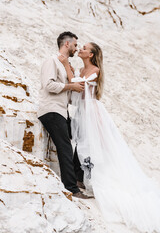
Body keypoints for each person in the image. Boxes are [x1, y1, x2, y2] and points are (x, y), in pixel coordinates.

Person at [59, 42, 160, 232]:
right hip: (82, 113)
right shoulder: (81, 68)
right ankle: (80, 176)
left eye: (84, 48)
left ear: (91, 54)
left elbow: (79, 86)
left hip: (92, 113)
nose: (80, 49)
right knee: (81, 146)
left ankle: (88, 177)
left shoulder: (95, 70)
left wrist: (66, 67)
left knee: (94, 145)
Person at [37, 31, 92, 199]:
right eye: (75, 45)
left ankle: (78, 178)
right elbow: (49, 86)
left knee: (81, 138)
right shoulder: (51, 61)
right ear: (66, 44)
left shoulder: (64, 64)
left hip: (61, 111)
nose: (76, 48)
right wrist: (70, 87)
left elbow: (67, 96)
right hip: (51, 110)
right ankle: (72, 188)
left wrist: (70, 82)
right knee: (66, 148)